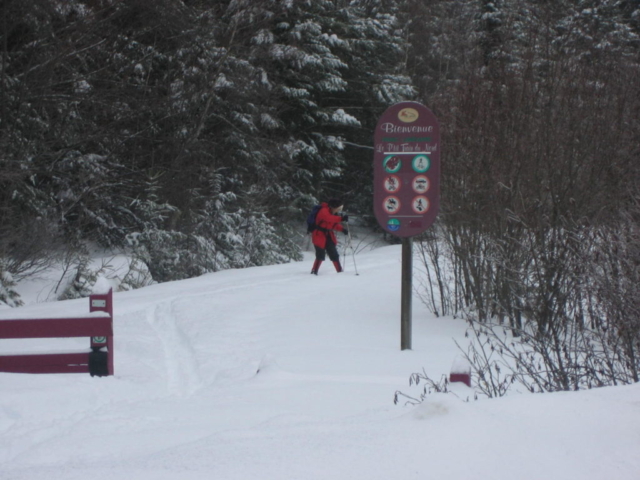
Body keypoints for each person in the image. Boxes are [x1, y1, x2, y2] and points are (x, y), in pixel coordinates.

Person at [310, 198, 349, 275]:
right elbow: (329, 219)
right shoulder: (324, 211)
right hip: (319, 235)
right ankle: (314, 271)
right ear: (333, 207)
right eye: (338, 208)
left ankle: (339, 271)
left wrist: (342, 229)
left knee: (333, 253)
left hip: (328, 235)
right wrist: (341, 218)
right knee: (320, 254)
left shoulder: (330, 212)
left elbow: (332, 224)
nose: (338, 210)